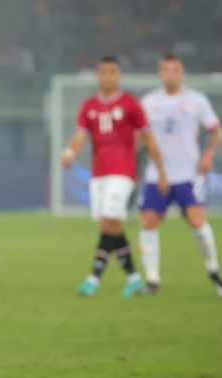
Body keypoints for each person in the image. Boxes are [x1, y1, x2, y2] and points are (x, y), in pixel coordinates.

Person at [62, 56, 170, 298]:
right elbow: (80, 136)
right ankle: (134, 278)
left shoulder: (130, 103)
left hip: (122, 172)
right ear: (98, 76)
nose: (107, 76)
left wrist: (162, 172)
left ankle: (93, 278)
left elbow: (149, 139)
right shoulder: (89, 106)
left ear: (118, 75)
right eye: (103, 72)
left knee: (110, 221)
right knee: (111, 226)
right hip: (98, 173)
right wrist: (69, 151)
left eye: (112, 72)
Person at [138, 53, 222, 296]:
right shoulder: (148, 102)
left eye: (175, 69)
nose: (170, 74)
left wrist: (209, 153)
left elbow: (216, 132)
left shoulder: (197, 100)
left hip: (189, 174)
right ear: (160, 73)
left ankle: (214, 271)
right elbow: (139, 136)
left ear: (182, 73)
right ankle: (153, 280)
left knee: (197, 221)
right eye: (166, 70)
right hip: (156, 175)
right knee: (148, 222)